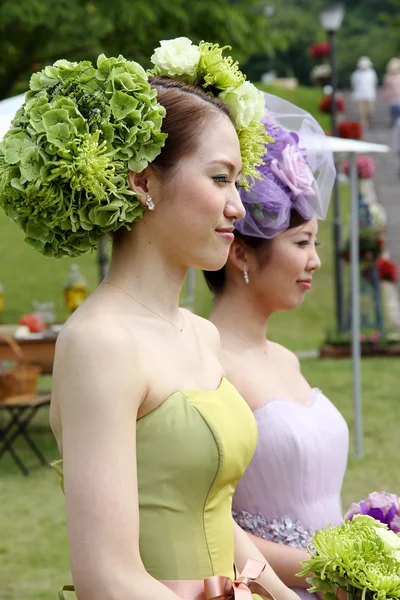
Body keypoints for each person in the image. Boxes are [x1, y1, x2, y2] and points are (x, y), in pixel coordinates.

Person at [0, 39, 300, 600]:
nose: (238, 206)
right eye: (219, 178)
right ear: (143, 182)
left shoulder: (202, 333)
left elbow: (212, 515)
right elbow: (107, 579)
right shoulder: (101, 342)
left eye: (237, 181)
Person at [204, 95, 349, 600]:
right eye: (301, 243)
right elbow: (210, 521)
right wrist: (335, 571)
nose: (316, 262)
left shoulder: (286, 359)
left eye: (315, 243)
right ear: (240, 251)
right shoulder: (208, 362)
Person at [350, 56, 378, 129]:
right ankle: (364, 123)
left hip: (370, 94)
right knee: (362, 111)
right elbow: (354, 84)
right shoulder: (356, 74)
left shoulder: (372, 73)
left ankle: (368, 119)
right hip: (360, 95)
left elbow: (374, 83)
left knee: (370, 111)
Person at [383, 57, 400, 127]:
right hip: (392, 99)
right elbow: (386, 89)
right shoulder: (388, 77)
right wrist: (386, 96)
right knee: (393, 114)